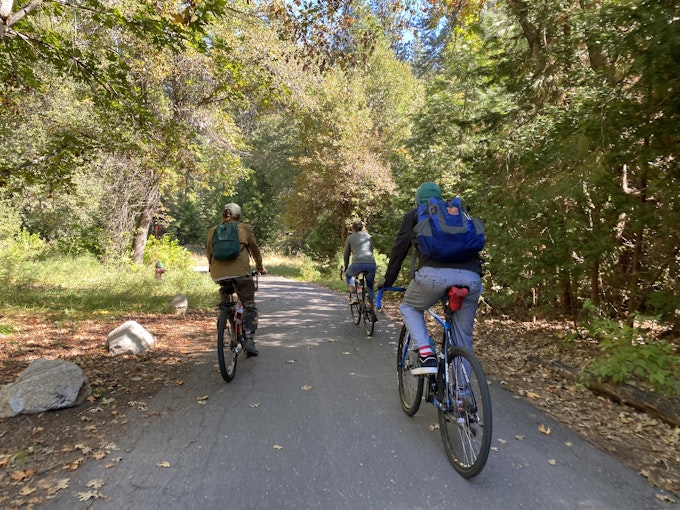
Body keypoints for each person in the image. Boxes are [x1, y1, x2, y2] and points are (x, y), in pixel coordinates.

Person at [380, 182, 483, 375]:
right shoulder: (455, 213)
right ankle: (462, 398)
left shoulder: (416, 214)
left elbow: (399, 250)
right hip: (471, 278)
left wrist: (388, 281)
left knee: (409, 307)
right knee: (463, 338)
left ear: (418, 199)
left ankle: (426, 354)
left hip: (433, 276)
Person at [206, 203, 267, 356]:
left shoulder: (213, 231)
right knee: (249, 305)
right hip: (241, 274)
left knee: (225, 300)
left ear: (223, 215)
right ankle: (249, 339)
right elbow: (255, 249)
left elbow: (209, 252)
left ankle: (223, 320)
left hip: (218, 274)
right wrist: (259, 267)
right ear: (238, 216)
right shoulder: (244, 228)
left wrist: (212, 267)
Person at [343, 220, 377, 306]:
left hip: (357, 264)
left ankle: (354, 295)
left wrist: (346, 266)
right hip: (371, 264)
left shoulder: (350, 238)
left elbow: (346, 254)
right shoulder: (369, 237)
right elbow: (371, 251)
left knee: (348, 275)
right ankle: (374, 306)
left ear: (352, 228)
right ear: (362, 228)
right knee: (370, 286)